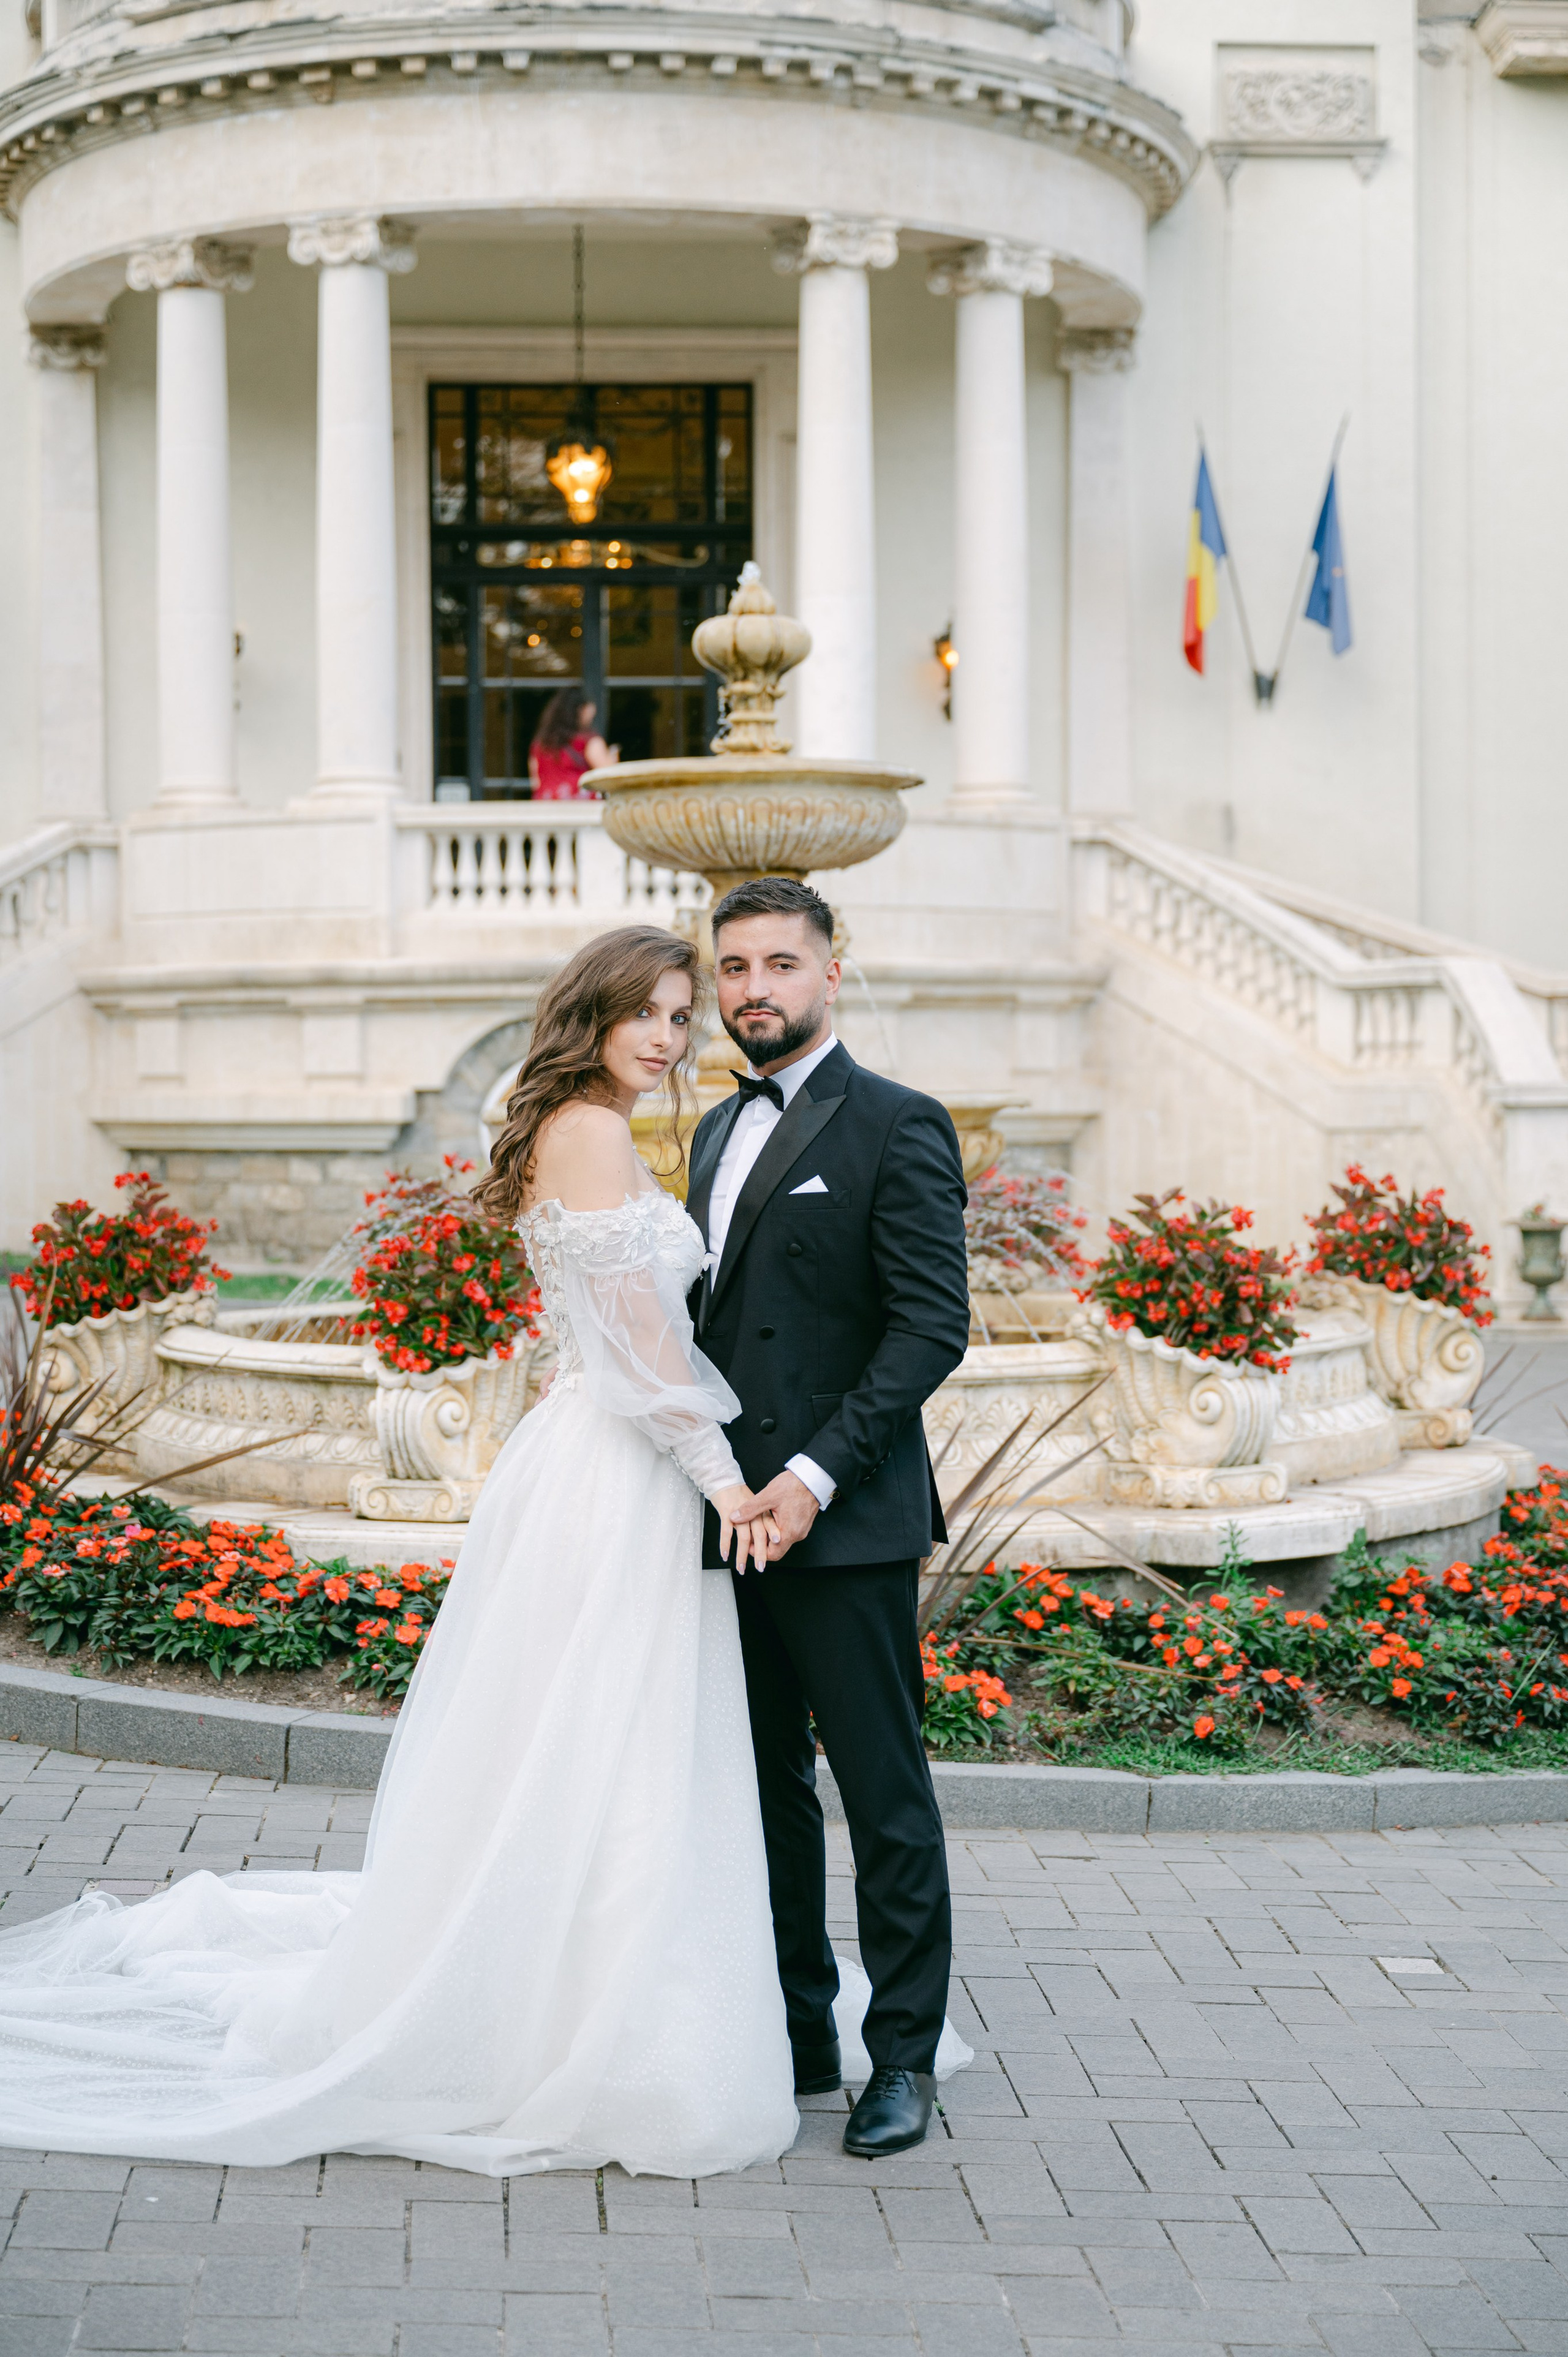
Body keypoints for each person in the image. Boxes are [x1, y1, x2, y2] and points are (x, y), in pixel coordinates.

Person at [0, 930, 797, 2175]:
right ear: (586, 1016)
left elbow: (601, 1335)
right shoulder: (588, 1130)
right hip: (619, 1470)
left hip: (591, 1453)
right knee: (608, 1729)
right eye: (644, 1012)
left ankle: (590, 1975)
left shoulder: (584, 1127)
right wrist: (731, 1484)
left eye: (681, 1017)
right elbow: (644, 1355)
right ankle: (588, 2010)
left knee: (591, 1732)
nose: (667, 1036)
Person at [684, 876, 973, 2160]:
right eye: (735, 967)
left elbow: (928, 1328)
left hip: (838, 1521)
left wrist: (810, 1477)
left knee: (882, 1794)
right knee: (760, 1793)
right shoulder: (703, 1133)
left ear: (830, 972)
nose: (755, 989)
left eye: (780, 965)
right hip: (718, 1522)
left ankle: (898, 2056)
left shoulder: (897, 1124)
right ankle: (800, 2029)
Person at [529, 687, 614, 799]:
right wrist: (612, 760)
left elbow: (536, 782)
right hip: (579, 808)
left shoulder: (540, 744)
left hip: (546, 806)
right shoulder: (589, 741)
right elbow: (608, 776)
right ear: (581, 710)